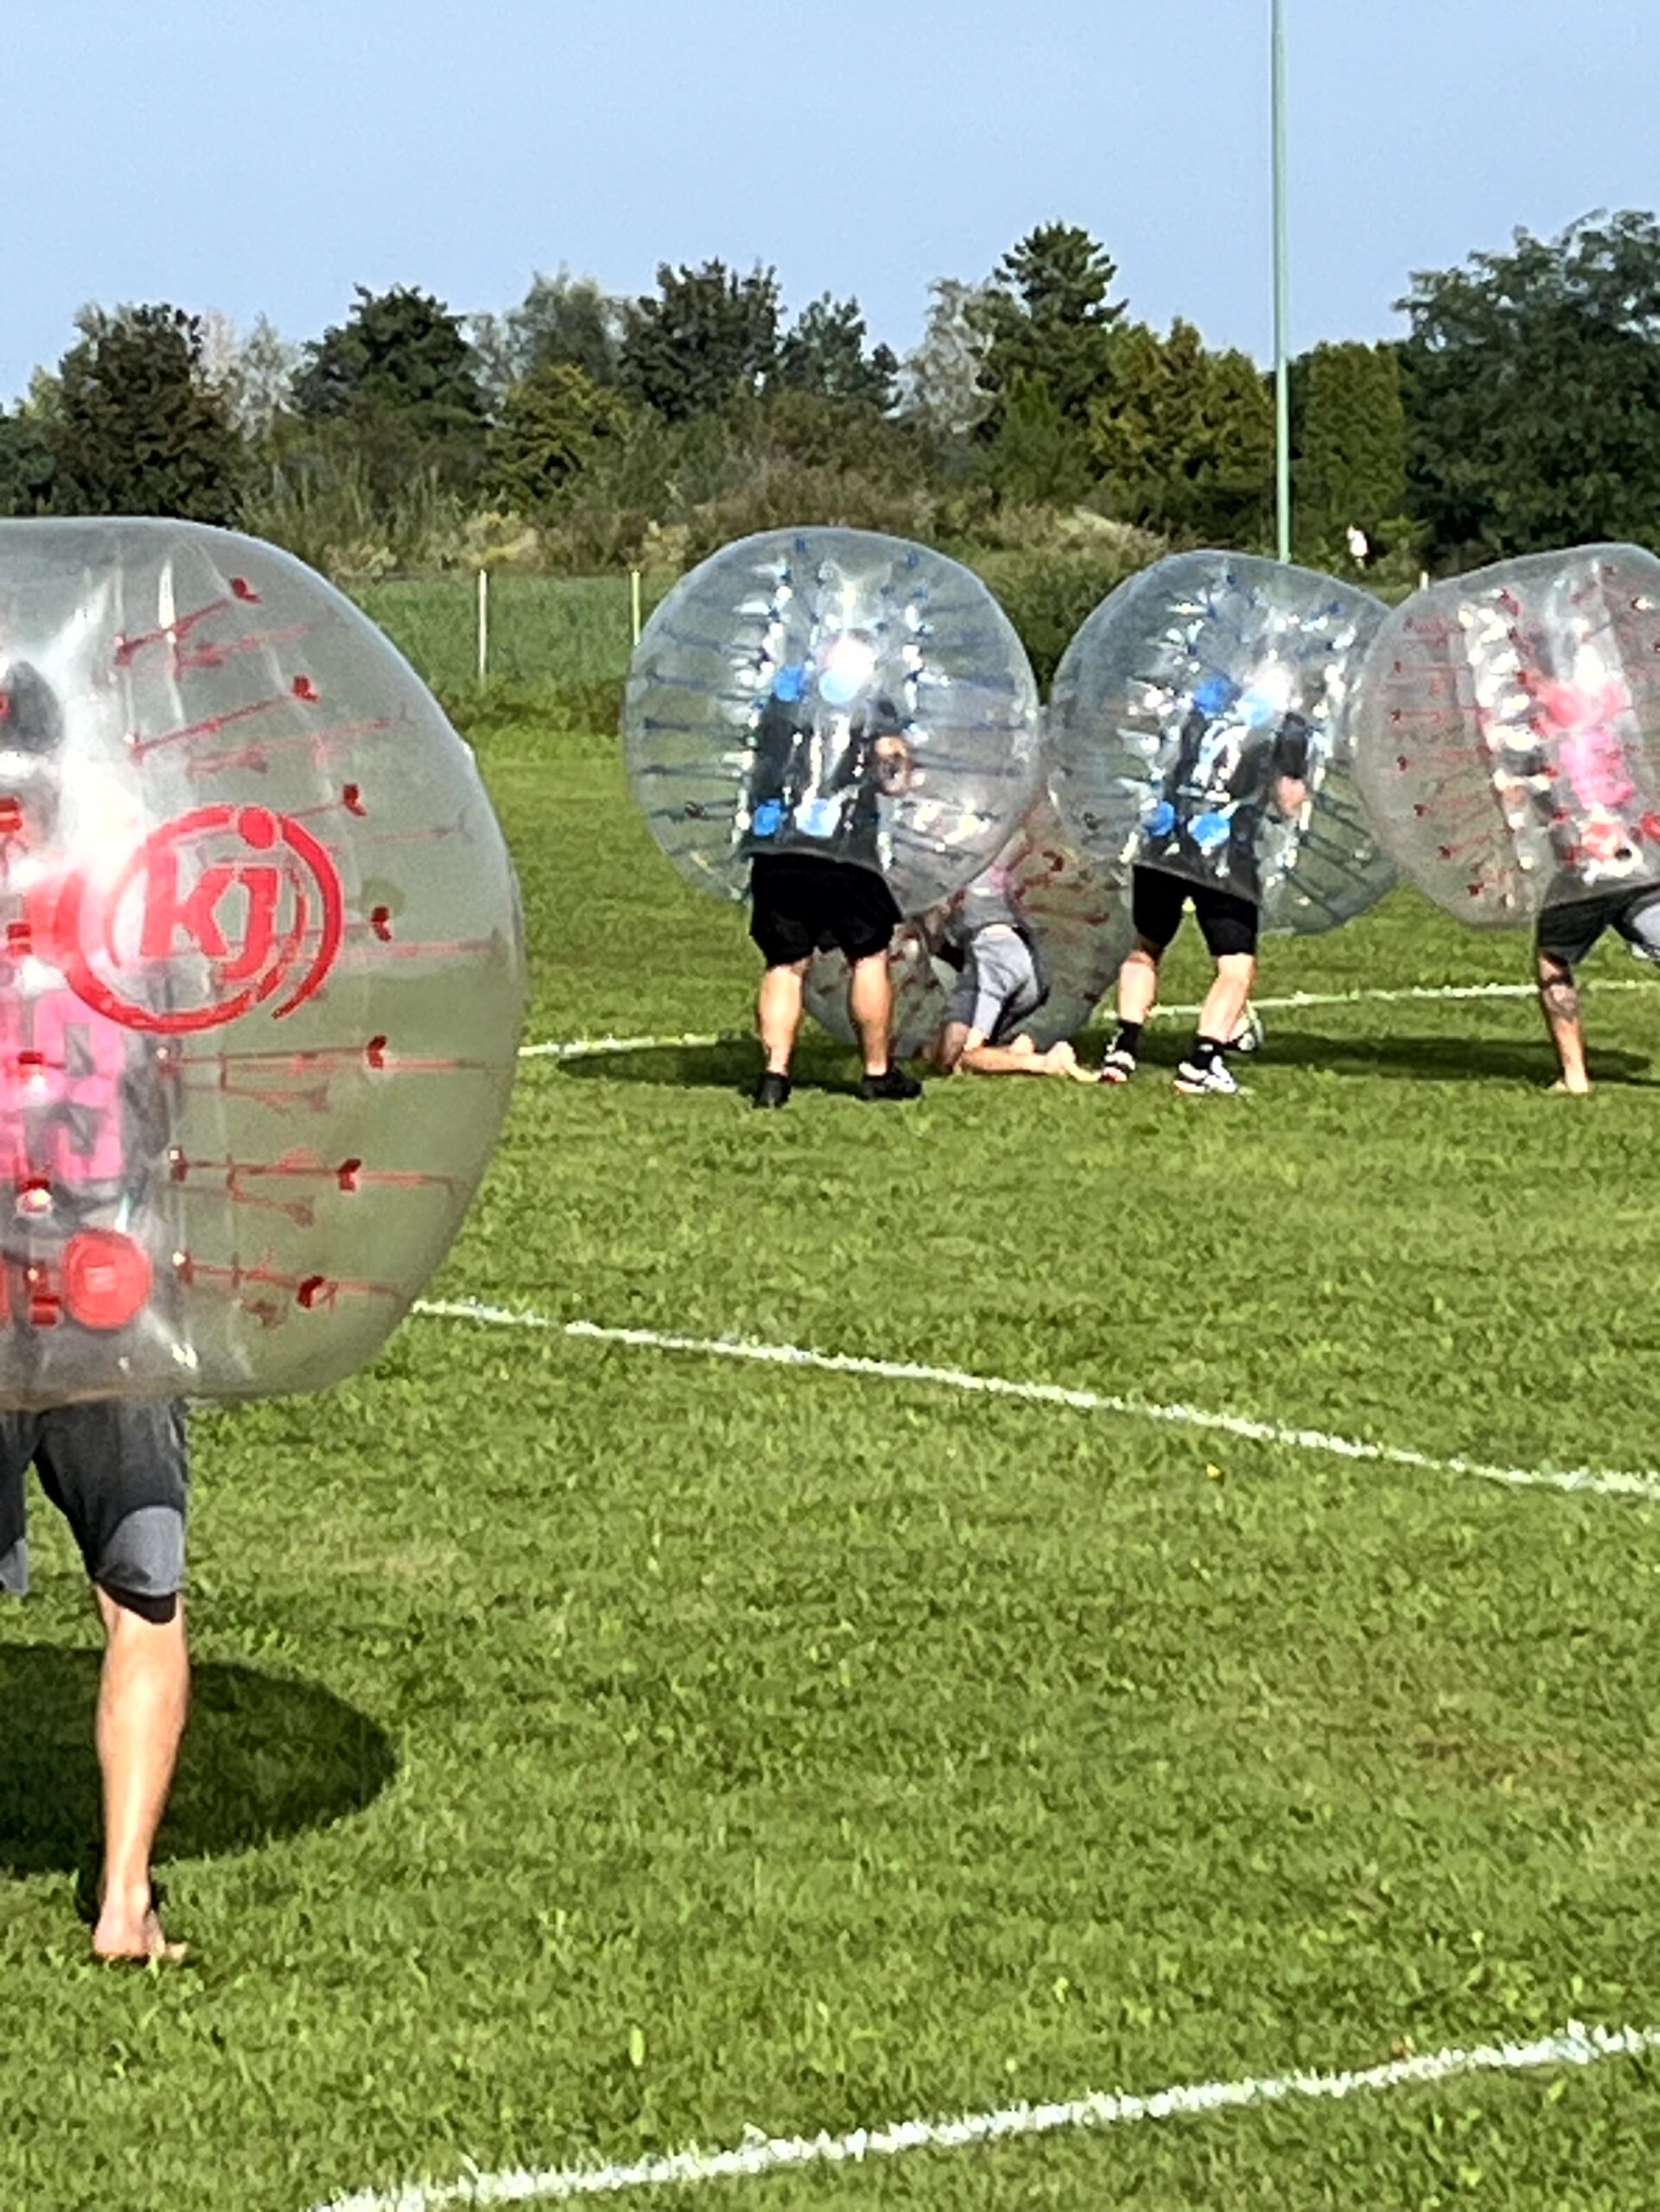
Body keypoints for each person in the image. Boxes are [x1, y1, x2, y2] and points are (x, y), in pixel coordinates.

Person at [0, 658, 189, 1963]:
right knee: (142, 1600)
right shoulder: (124, 927)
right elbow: (173, 1108)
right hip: (107, 1282)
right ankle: (124, 1904)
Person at [1099, 672, 1308, 1096]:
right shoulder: (1285, 720)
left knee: (1147, 946)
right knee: (1235, 967)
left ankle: (1123, 1047)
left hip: (1165, 840)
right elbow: (1288, 802)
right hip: (1225, 852)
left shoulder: (1198, 700)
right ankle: (1203, 1061)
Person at [741, 636, 923, 1109]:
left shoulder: (782, 697)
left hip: (778, 847)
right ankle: (877, 1073)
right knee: (868, 955)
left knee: (785, 963)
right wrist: (902, 768)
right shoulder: (872, 702)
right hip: (847, 851)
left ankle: (774, 1078)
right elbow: (894, 776)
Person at [925, 870, 1093, 1081]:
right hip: (1024, 959)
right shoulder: (998, 858)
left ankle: (1045, 1062)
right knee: (934, 1047)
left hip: (994, 960)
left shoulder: (949, 866)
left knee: (954, 1056)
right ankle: (1014, 1050)